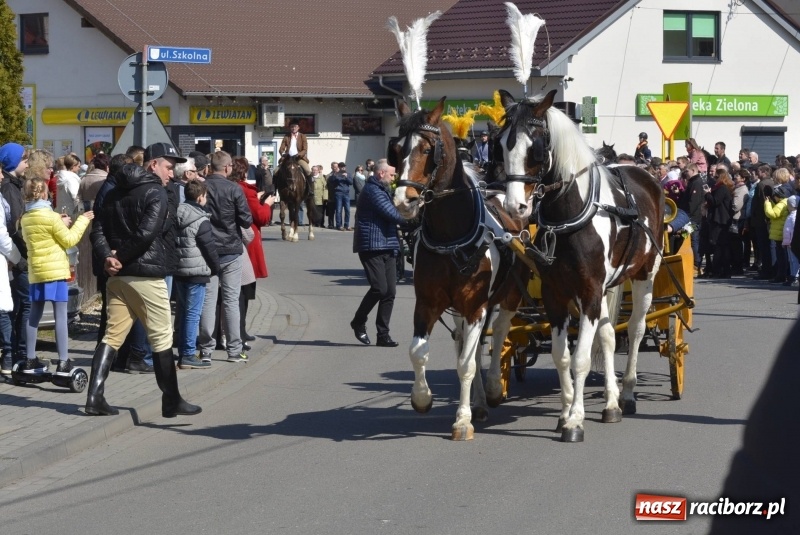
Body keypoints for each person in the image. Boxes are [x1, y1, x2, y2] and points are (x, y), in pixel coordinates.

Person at [88, 155, 201, 418]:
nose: (172, 175)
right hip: (146, 274)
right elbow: (147, 233)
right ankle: (171, 400)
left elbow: (97, 229)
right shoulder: (156, 192)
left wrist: (109, 257)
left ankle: (94, 397)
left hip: (117, 276)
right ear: (153, 165)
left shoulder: (114, 190)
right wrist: (118, 258)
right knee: (162, 336)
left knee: (112, 336)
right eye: (169, 168)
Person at [19, 175, 93, 374]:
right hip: (55, 271)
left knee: (34, 315)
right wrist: (81, 221)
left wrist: (59, 222)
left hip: (37, 272)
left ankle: (30, 358)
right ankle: (63, 361)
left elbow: (40, 235)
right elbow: (69, 240)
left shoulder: (25, 218)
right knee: (61, 316)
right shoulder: (51, 217)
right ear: (45, 194)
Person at [197, 150, 253, 364]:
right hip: (230, 249)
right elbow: (246, 220)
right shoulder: (234, 188)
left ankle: (206, 351)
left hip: (206, 249)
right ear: (228, 167)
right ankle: (234, 350)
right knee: (230, 301)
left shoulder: (201, 187)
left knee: (208, 300)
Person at [349, 160, 406, 348]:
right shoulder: (373, 191)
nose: (394, 178)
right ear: (381, 174)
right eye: (391, 175)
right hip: (371, 246)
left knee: (390, 291)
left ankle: (383, 335)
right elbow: (394, 215)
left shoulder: (383, 190)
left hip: (388, 245)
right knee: (379, 288)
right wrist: (415, 214)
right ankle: (358, 321)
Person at [174, 180, 219, 369]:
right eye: (206, 196)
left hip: (179, 269)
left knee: (183, 312)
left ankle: (184, 352)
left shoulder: (176, 213)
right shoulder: (201, 220)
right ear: (200, 197)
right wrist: (215, 267)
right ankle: (188, 354)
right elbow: (209, 247)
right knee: (193, 314)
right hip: (197, 271)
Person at [231, 156, 274, 344]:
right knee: (243, 289)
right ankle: (239, 330)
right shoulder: (244, 190)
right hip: (247, 242)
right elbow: (261, 216)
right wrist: (267, 204)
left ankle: (238, 330)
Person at [0, 143, 30, 371]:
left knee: (15, 306)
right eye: (24, 158)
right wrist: (19, 256)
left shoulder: (12, 186)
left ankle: (15, 354)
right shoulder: (9, 189)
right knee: (16, 306)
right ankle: (16, 355)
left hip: (14, 254)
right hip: (14, 254)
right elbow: (9, 227)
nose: (27, 163)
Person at [678, 163, 705, 275]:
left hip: (693, 218)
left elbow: (693, 202)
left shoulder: (697, 183)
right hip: (689, 217)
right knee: (687, 238)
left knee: (694, 240)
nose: (686, 174)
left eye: (687, 172)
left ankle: (696, 264)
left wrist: (688, 216)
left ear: (693, 170)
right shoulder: (692, 182)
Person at [279, 119, 312, 196]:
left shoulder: (302, 136)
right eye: (292, 127)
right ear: (290, 128)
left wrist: (299, 154)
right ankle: (275, 189)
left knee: (307, 171)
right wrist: (284, 154)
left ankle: (310, 190)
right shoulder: (286, 136)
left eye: (295, 127)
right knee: (275, 171)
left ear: (298, 128)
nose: (293, 128)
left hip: (298, 158)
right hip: (288, 158)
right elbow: (281, 148)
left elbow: (305, 149)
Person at [56, 153, 82, 218]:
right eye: (78, 166)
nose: (79, 168)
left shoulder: (62, 177)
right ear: (73, 166)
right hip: (71, 213)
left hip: (62, 211)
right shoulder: (71, 179)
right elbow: (75, 196)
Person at [782, 195, 799, 286]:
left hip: (792, 242)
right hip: (788, 242)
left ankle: (795, 277)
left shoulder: (794, 216)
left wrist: (792, 241)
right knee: (791, 260)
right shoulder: (791, 215)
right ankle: (792, 275)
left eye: (788, 204)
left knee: (794, 260)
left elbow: (794, 230)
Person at [332, 162, 353, 231]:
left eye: (344, 167)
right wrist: (337, 176)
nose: (343, 168)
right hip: (338, 193)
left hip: (346, 193)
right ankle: (339, 225)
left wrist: (346, 177)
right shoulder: (336, 174)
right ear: (339, 167)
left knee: (347, 210)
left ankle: (346, 225)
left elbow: (351, 182)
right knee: (338, 210)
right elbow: (333, 181)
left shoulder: (348, 174)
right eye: (341, 167)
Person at [325, 162, 339, 228]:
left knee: (338, 211)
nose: (335, 168)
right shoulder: (328, 176)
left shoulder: (341, 175)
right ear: (331, 167)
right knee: (331, 212)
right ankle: (331, 224)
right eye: (334, 167)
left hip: (338, 196)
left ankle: (338, 224)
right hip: (330, 195)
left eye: (336, 166)